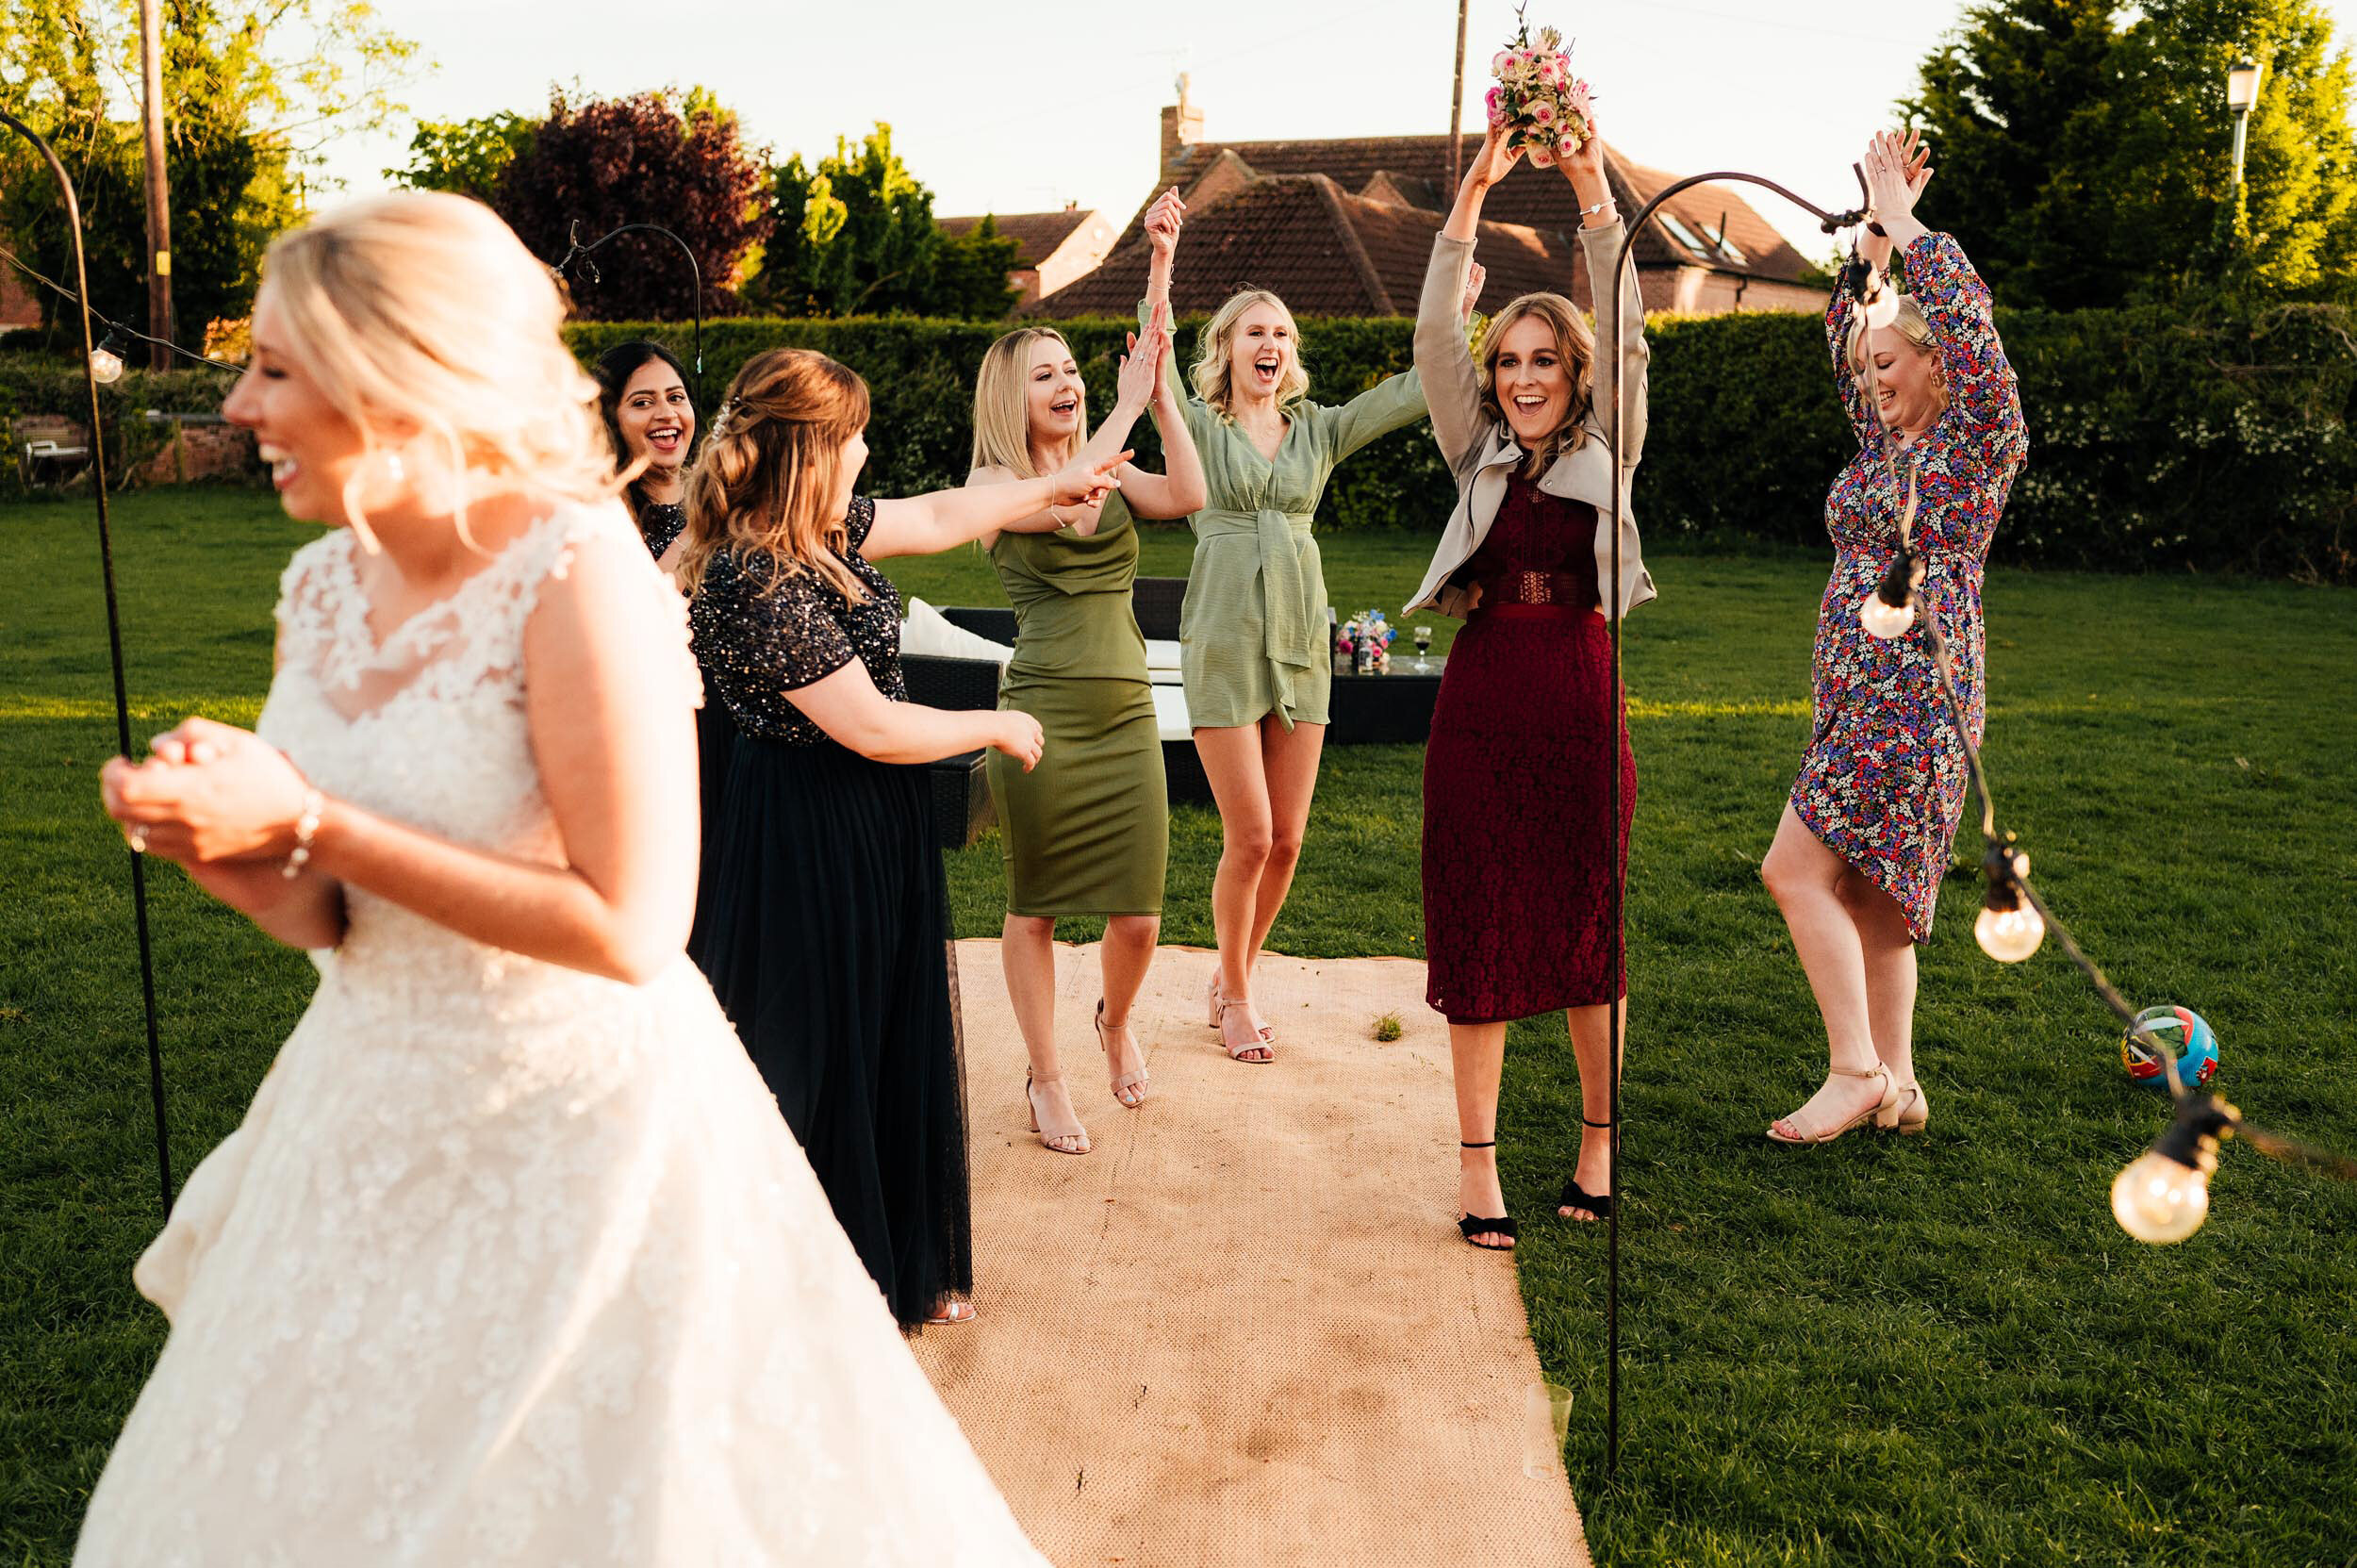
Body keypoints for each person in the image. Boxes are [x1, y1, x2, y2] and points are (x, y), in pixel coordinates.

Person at [82, 192, 1046, 1565]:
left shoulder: (579, 565)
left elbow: (632, 924)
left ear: (397, 366)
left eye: (274, 367)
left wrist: (314, 818)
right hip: (361, 1103)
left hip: (574, 1122)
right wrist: (238, 847)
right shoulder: (318, 587)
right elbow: (328, 917)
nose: (239, 403)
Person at [680, 346, 1131, 1327]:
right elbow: (873, 726)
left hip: (867, 824)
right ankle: (768, 1289)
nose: (869, 449)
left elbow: (935, 516)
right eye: (852, 437)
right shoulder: (757, 577)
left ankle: (873, 1258)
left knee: (878, 1034)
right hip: (805, 837)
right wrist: (994, 724)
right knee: (810, 1049)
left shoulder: (818, 529)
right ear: (810, 452)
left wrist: (1052, 482)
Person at [1408, 103, 1653, 1250]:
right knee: (1479, 929)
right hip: (1481, 701)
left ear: (1575, 368)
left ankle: (1599, 1144)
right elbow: (1428, 344)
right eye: (1506, 361)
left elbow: (1627, 322)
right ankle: (1477, 1169)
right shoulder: (1478, 451)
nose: (1518, 377)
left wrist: (1589, 180)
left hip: (1579, 700)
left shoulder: (1613, 445)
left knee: (1585, 928)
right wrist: (1472, 195)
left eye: (1541, 358)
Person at [1761, 129, 2027, 1145]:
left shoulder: (1975, 442)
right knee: (1874, 895)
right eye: (1868, 363)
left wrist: (1915, 231)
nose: (1869, 378)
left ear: (1936, 364)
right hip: (1858, 691)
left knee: (1794, 871)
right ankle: (1902, 1082)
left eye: (1888, 363)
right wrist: (1872, 247)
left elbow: (1973, 330)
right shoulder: (1886, 440)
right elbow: (1844, 341)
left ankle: (1853, 1068)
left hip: (1912, 691)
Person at [1138, 187, 1430, 1063]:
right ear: (1225, 347)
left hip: (1302, 639)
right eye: (1256, 331)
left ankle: (1235, 977)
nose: (1272, 344)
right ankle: (1234, 995)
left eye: (1284, 334)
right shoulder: (1194, 422)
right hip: (1224, 638)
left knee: (1292, 838)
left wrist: (1451, 308)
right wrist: (1162, 255)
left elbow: (1417, 391)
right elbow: (1150, 360)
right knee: (1251, 834)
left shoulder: (1320, 431)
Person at [966, 316, 1207, 1154]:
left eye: (1072, 370)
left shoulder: (1112, 467)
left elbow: (1186, 496)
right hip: (1042, 715)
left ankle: (1114, 1020)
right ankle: (1047, 1076)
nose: (1068, 383)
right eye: (1045, 376)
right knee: (1033, 907)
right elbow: (1068, 498)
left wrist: (1163, 394)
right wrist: (1126, 403)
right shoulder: (995, 484)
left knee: (1138, 914)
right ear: (1009, 396)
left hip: (1125, 712)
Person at [592, 338, 697, 563]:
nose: (667, 413)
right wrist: (694, 534)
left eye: (676, 397)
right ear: (610, 420)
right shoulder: (602, 519)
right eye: (643, 403)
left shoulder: (722, 502)